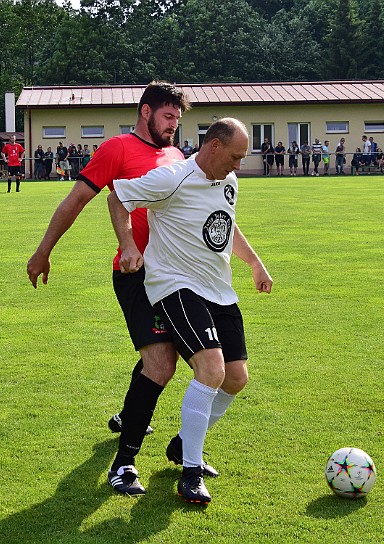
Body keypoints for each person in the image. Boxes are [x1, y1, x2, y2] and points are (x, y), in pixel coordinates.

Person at [26, 81, 192, 497]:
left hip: (174, 276)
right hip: (134, 274)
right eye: (167, 116)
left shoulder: (174, 155)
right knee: (161, 364)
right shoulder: (117, 149)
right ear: (145, 111)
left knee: (172, 362)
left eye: (178, 117)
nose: (173, 125)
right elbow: (76, 200)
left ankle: (128, 414)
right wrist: (43, 251)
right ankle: (123, 465)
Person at [107, 118, 273, 504]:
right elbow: (117, 197)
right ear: (213, 146)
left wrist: (254, 263)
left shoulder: (228, 180)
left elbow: (226, 226)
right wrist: (128, 244)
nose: (238, 165)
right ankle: (191, 472)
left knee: (235, 378)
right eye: (235, 156)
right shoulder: (172, 178)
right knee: (210, 369)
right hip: (176, 285)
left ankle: (183, 445)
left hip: (219, 289)